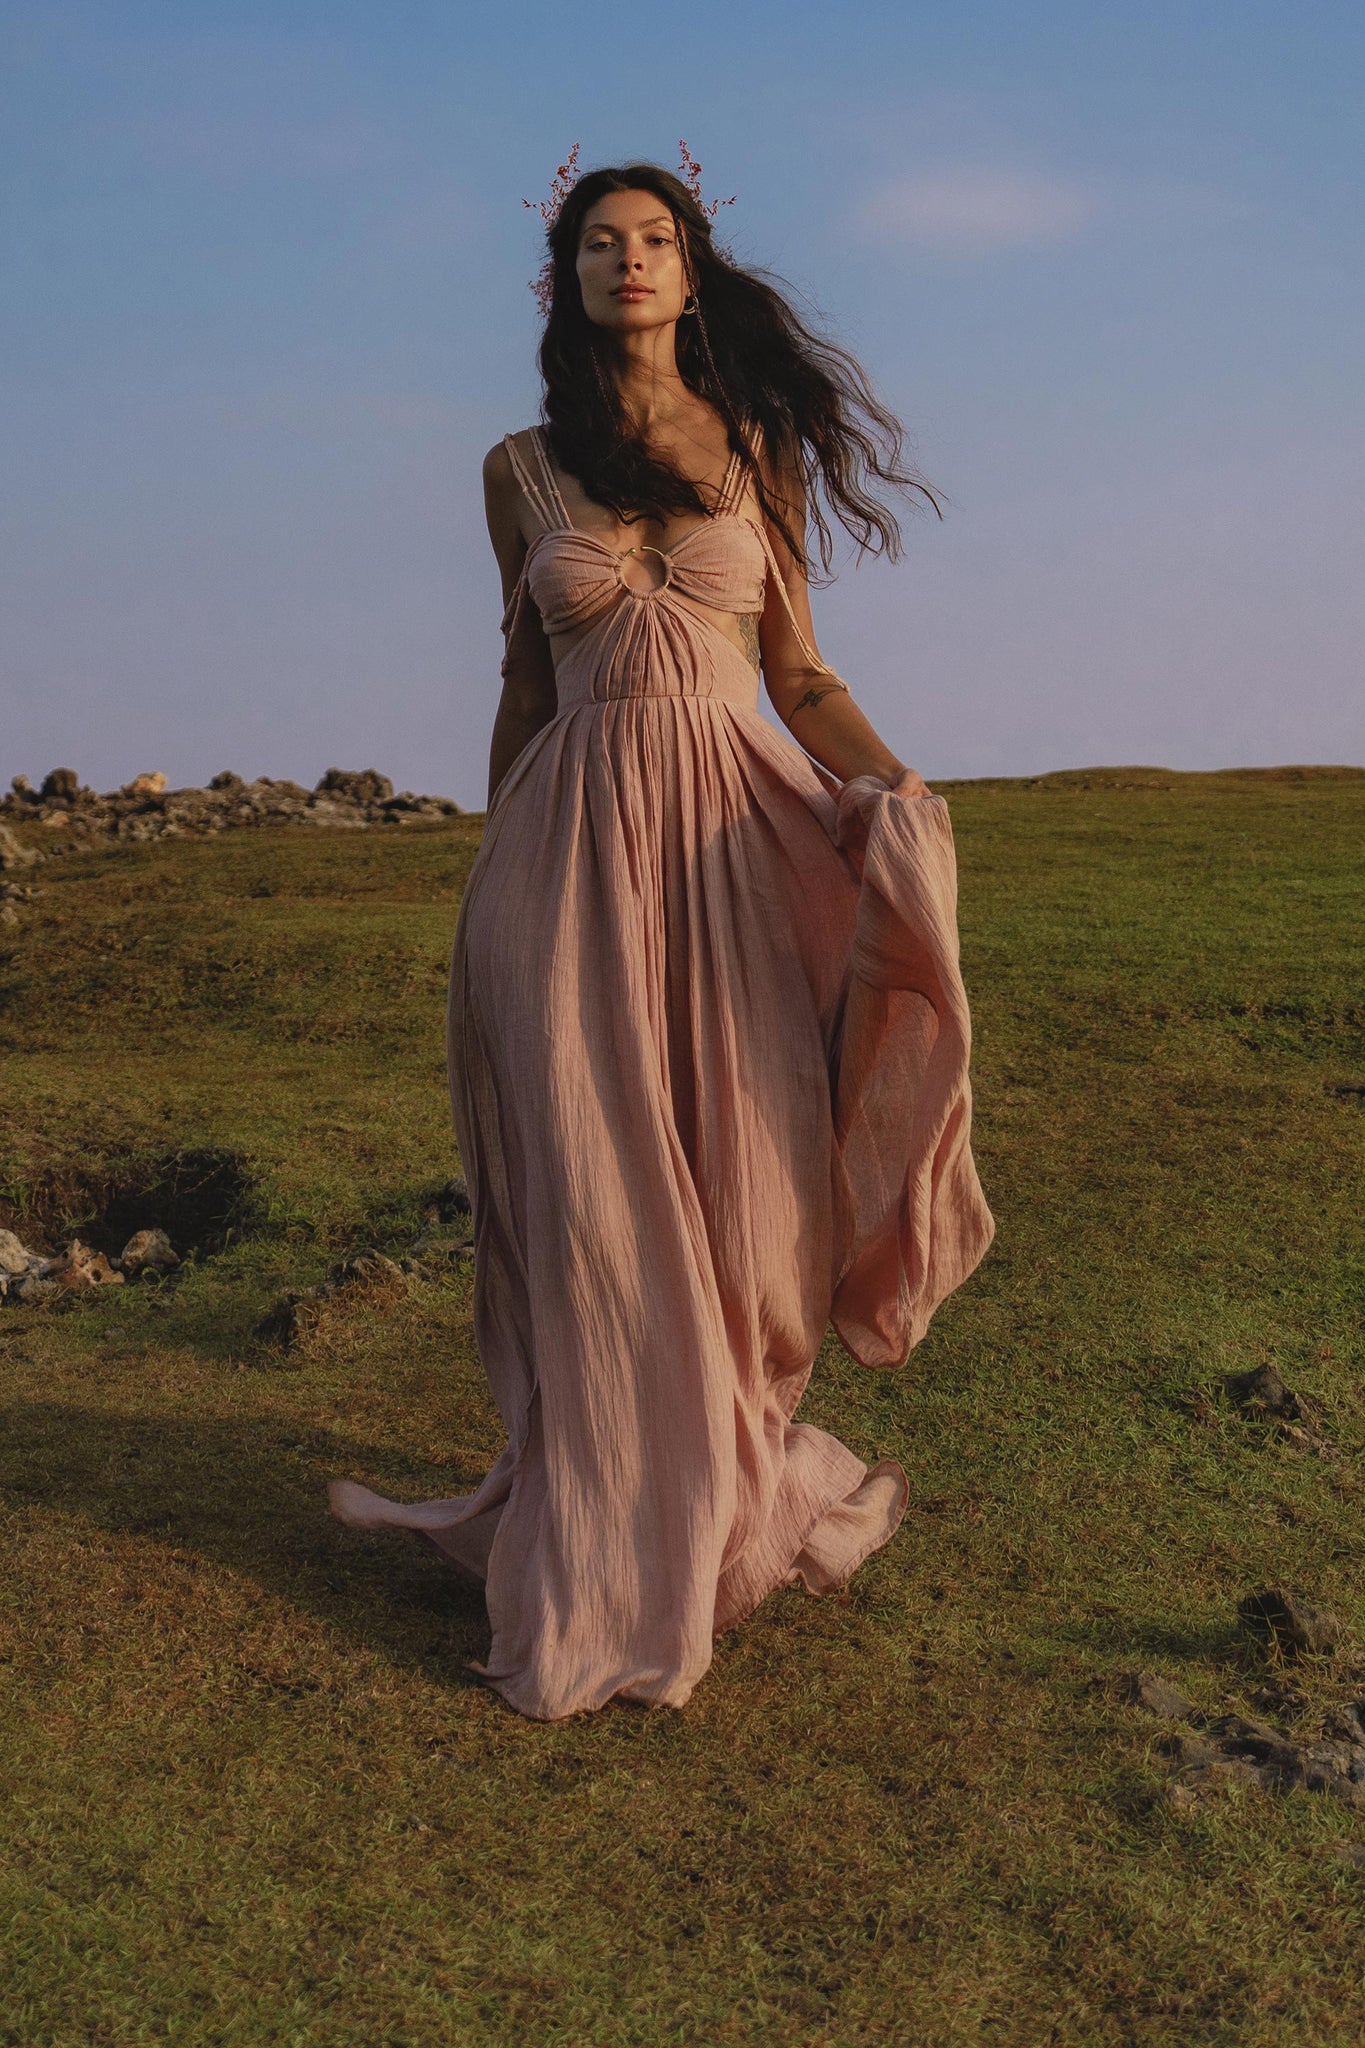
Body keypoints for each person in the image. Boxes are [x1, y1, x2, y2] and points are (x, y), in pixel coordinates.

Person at [329, 157, 994, 1720]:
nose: (627, 262)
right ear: (561, 280)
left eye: (654, 240)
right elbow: (520, 685)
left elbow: (800, 677)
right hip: (562, 868)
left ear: (691, 272)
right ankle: (604, 1543)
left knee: (746, 1192)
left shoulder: (751, 449)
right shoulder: (514, 468)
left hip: (730, 851)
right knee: (592, 1205)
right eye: (597, 245)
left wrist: (891, 783)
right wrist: (491, 867)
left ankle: (715, 1495)